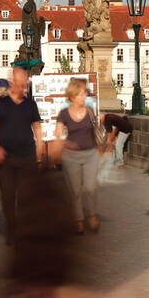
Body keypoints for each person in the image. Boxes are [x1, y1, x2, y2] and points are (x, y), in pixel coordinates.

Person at [0, 66, 45, 246]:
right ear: (12, 82)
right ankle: (12, 228)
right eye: (20, 84)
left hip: (27, 156)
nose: (22, 88)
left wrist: (40, 149)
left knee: (26, 196)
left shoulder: (30, 104)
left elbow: (37, 127)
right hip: (5, 158)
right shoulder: (0, 103)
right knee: (8, 196)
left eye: (25, 84)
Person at [54, 78, 102, 234]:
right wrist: (65, 144)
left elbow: (97, 128)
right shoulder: (63, 114)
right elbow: (58, 134)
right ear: (73, 96)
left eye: (85, 94)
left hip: (90, 154)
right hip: (71, 156)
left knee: (90, 187)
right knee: (74, 190)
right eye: (81, 94)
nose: (84, 96)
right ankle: (78, 219)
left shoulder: (89, 110)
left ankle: (92, 214)